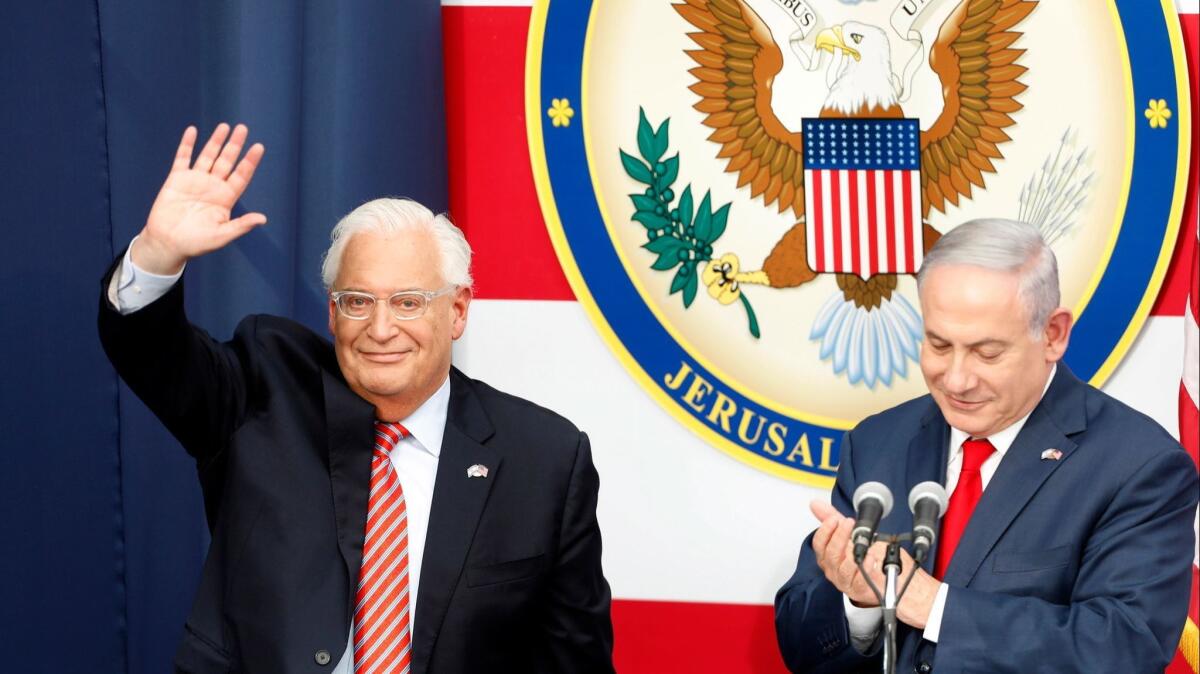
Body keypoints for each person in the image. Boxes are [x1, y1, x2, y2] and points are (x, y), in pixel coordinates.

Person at [98, 124, 614, 673]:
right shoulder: (262, 390)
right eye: (357, 301)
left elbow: (574, 660)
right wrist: (157, 255)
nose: (381, 328)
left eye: (409, 302)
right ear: (332, 312)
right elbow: (153, 354)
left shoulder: (544, 459)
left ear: (458, 310)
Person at [774, 218, 1198, 673]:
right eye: (938, 345)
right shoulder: (878, 442)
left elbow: (1121, 650)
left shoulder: (1140, 465)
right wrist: (860, 604)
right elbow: (804, 647)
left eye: (987, 353)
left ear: (1053, 334)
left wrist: (933, 605)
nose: (955, 379)